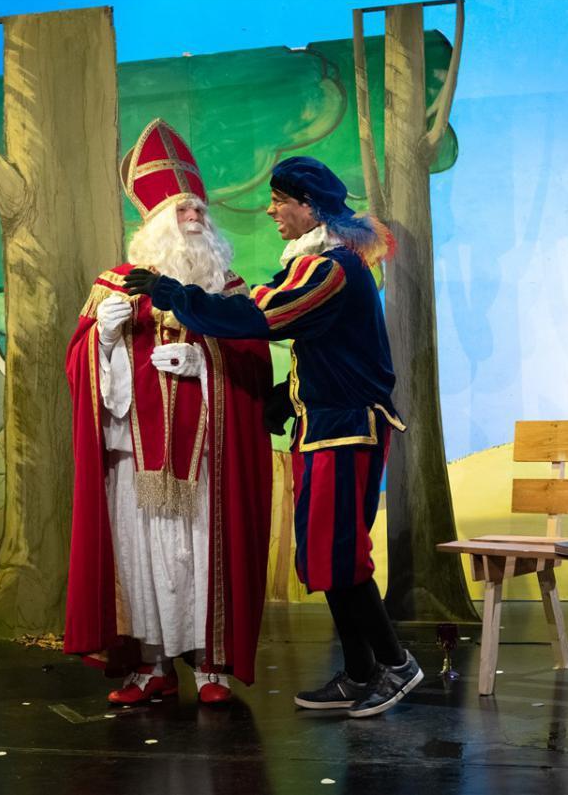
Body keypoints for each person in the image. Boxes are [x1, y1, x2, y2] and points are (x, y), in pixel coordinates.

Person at [125, 156, 422, 719]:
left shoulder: (331, 267)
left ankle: (396, 663)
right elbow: (326, 347)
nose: (270, 210)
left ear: (309, 207)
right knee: (323, 558)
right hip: (322, 428)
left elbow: (260, 316)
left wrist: (174, 293)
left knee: (340, 556)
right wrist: (288, 396)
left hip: (346, 431)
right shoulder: (316, 262)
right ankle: (360, 670)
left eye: (280, 200)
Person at [64, 119, 272, 705]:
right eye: (182, 210)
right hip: (135, 462)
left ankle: (210, 669)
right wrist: (103, 339)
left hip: (208, 461)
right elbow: (77, 370)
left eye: (199, 208)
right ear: (155, 223)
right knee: (142, 562)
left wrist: (204, 361)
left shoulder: (229, 289)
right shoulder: (116, 285)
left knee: (202, 558)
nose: (195, 217)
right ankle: (151, 666)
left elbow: (255, 365)